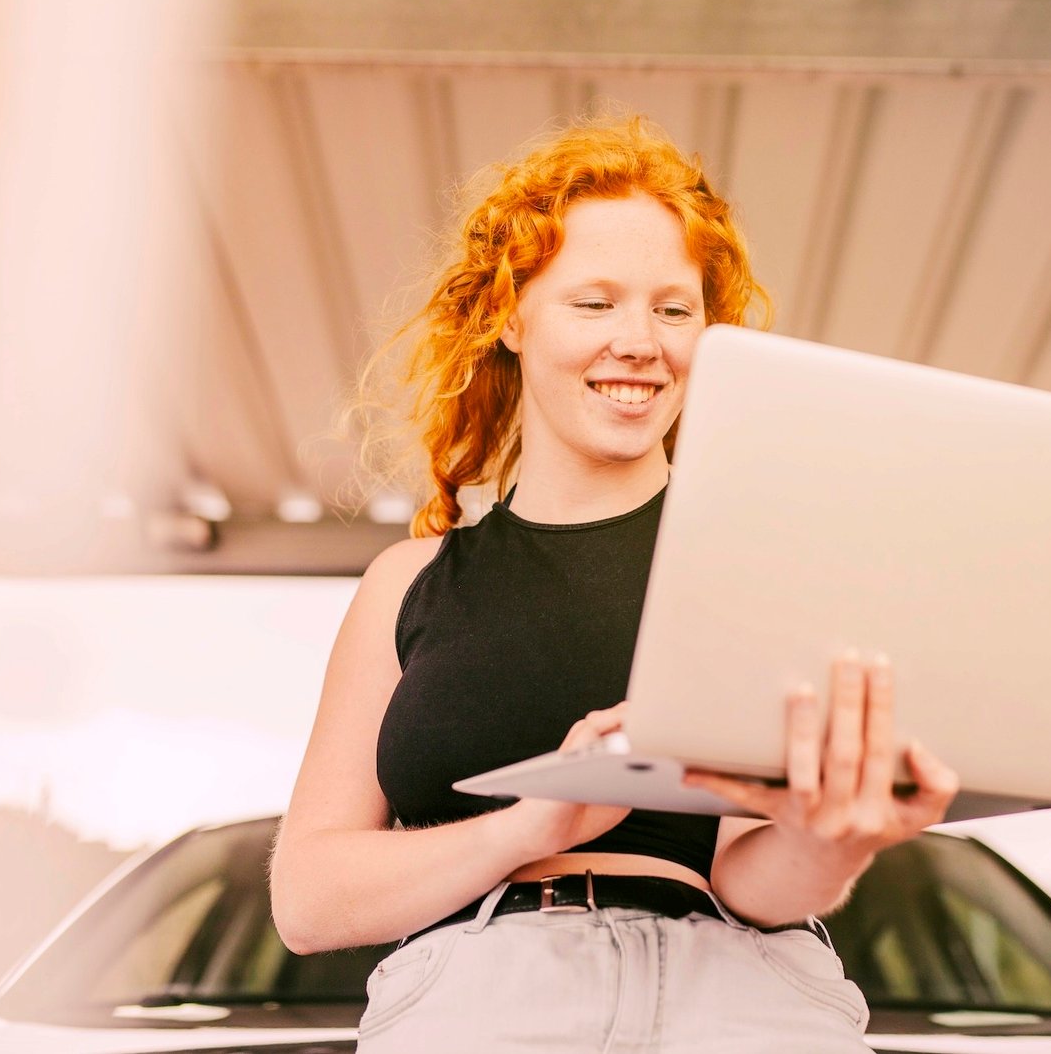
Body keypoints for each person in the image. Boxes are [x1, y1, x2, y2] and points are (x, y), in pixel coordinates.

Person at [268, 114, 960, 1052]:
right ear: (509, 318)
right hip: (484, 998)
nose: (640, 342)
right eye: (594, 303)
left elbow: (745, 877)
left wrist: (830, 844)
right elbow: (308, 901)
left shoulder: (762, 562)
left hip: (741, 994)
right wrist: (526, 828)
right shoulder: (408, 585)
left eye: (674, 310)